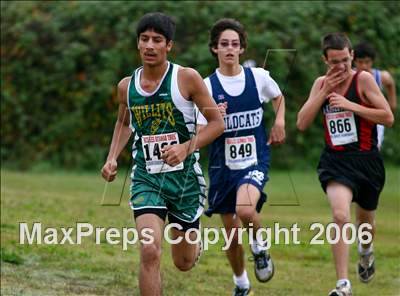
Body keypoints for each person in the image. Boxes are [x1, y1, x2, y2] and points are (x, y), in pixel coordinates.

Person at [101, 12, 224, 296]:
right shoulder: (126, 87)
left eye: (157, 40)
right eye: (144, 39)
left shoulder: (187, 78)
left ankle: (193, 246)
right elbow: (123, 122)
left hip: (184, 182)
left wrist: (185, 148)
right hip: (147, 177)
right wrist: (111, 157)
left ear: (169, 45)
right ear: (138, 44)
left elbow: (218, 124)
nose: (150, 45)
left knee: (182, 263)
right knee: (149, 250)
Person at [297, 33, 394, 296]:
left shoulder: (362, 79)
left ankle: (365, 251)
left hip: (367, 161)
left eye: (344, 60)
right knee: (340, 216)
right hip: (335, 162)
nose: (340, 66)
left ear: (351, 54)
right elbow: (302, 123)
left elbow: (387, 117)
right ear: (325, 60)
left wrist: (351, 105)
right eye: (334, 62)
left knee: (366, 225)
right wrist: (325, 93)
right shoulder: (321, 83)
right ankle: (343, 284)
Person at [201, 18, 286, 296]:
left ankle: (260, 248)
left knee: (246, 210)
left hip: (254, 160)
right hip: (222, 167)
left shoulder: (258, 78)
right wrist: (217, 120)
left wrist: (279, 122)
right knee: (231, 236)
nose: (229, 49)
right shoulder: (207, 87)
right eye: (223, 44)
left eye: (234, 44)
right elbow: (200, 132)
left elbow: (278, 97)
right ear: (215, 48)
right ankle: (241, 283)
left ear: (241, 48)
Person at [353, 41, 397, 150]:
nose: (364, 66)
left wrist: (392, 105)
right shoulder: (350, 76)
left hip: (375, 119)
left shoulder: (380, 76)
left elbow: (390, 84)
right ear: (354, 61)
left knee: (373, 147)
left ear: (372, 61)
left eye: (367, 62)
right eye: (360, 62)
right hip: (355, 117)